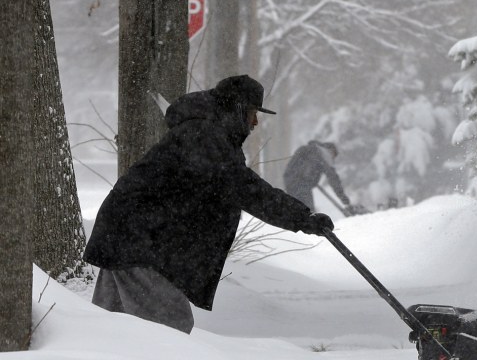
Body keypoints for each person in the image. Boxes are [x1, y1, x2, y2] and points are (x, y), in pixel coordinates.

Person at [83, 75, 334, 333]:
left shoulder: (208, 133)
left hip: (126, 236)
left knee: (113, 333)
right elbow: (246, 189)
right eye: (252, 112)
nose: (256, 122)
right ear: (237, 109)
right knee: (170, 327)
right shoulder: (204, 136)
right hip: (136, 241)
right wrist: (302, 218)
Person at [283, 140, 351, 211]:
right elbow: (333, 177)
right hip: (301, 183)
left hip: (289, 181)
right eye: (334, 157)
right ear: (331, 151)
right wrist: (343, 197)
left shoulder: (310, 149)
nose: (333, 159)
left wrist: (311, 180)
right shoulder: (324, 153)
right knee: (308, 211)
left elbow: (299, 166)